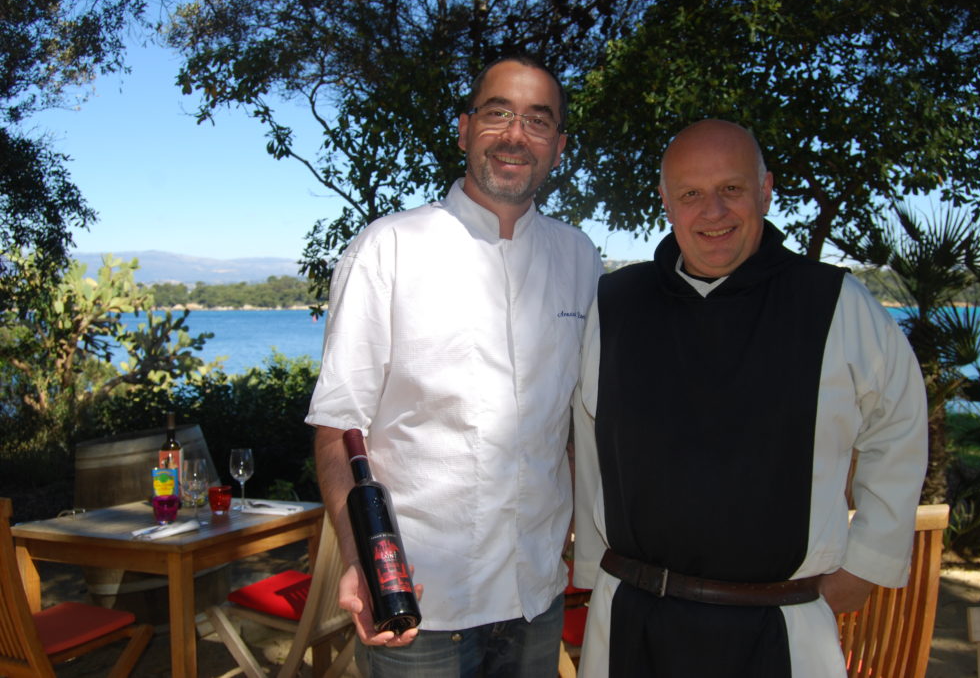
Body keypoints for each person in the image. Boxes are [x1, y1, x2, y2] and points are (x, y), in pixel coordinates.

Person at [571, 119, 928, 677]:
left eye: (731, 189)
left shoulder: (834, 303)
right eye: (691, 193)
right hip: (630, 622)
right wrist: (594, 568)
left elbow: (899, 428)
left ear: (765, 189)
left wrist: (869, 563)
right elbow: (593, 440)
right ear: (665, 202)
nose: (712, 212)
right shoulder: (617, 304)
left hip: (781, 627)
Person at [305, 55, 603, 677]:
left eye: (538, 120)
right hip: (421, 604)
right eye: (497, 114)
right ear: (465, 129)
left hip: (537, 596)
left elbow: (576, 424)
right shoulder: (388, 248)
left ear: (558, 145)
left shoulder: (578, 257)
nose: (516, 134)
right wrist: (361, 557)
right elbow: (338, 428)